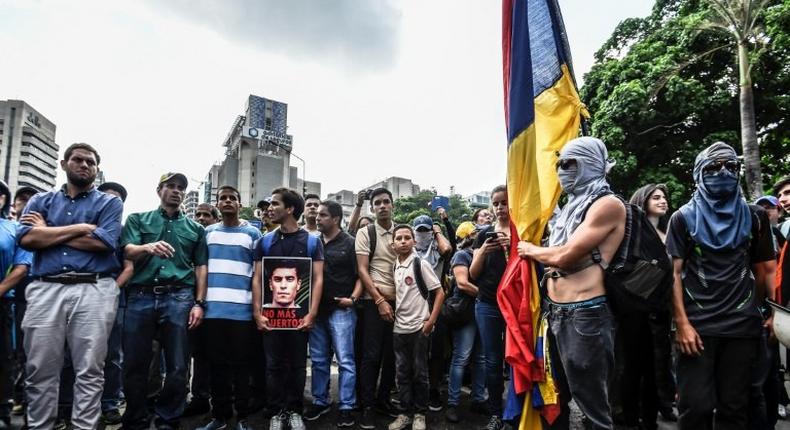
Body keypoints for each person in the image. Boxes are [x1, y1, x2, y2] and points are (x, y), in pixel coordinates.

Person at [517, 137, 625, 430]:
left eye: (569, 163)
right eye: (559, 164)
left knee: (592, 405)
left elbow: (564, 256)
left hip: (585, 313)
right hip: (554, 312)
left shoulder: (607, 204)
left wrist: (529, 249)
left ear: (591, 164)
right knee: (554, 397)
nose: (561, 170)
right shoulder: (568, 209)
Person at [666, 142, 774, 430]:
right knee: (695, 407)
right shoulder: (683, 218)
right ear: (699, 173)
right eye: (714, 167)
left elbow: (763, 268)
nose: (723, 172)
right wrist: (681, 324)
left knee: (735, 408)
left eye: (730, 166)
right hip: (698, 327)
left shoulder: (755, 217)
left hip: (742, 327)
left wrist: (768, 312)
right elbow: (673, 273)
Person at [17, 143, 123, 430]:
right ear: (63, 164)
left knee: (89, 369)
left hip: (94, 289)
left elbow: (104, 243)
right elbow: (26, 239)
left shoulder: (109, 203)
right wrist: (81, 228)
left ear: (97, 169)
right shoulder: (40, 200)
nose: (84, 165)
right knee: (40, 368)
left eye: (91, 162)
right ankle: (40, 426)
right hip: (45, 289)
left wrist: (46, 231)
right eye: (78, 159)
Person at [120, 172, 208, 430]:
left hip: (179, 297)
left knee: (178, 365)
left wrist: (199, 303)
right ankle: (135, 416)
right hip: (140, 296)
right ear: (159, 190)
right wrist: (147, 247)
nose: (177, 191)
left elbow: (201, 267)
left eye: (181, 187)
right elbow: (126, 250)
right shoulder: (138, 219)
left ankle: (168, 417)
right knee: (135, 363)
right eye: (171, 186)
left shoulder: (195, 229)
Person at [251, 188, 324, 430]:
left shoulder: (313, 241)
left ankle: (294, 410)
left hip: (299, 319)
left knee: (297, 365)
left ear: (290, 209)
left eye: (275, 204)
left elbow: (318, 279)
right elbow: (258, 278)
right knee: (272, 365)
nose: (269, 208)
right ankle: (275, 411)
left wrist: (312, 313)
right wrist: (257, 313)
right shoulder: (264, 241)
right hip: (270, 318)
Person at [609, 184, 674, 429]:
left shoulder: (670, 232)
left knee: (658, 366)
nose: (662, 200)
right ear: (642, 199)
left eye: (664, 197)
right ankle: (627, 416)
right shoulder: (629, 231)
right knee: (630, 366)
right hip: (633, 311)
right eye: (655, 197)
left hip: (661, 310)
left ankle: (653, 416)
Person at [197, 186, 261, 430]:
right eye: (222, 198)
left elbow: (257, 274)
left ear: (239, 203)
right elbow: (200, 269)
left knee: (242, 368)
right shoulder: (208, 233)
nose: (227, 201)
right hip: (213, 311)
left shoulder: (253, 233)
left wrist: (256, 310)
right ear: (217, 204)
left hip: (242, 313)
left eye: (232, 198)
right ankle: (220, 417)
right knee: (217, 368)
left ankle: (243, 417)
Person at [304, 200, 361, 427]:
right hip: (316, 312)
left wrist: (353, 299)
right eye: (317, 215)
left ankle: (347, 405)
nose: (317, 218)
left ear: (336, 219)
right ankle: (321, 400)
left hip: (342, 311)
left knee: (345, 360)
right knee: (318, 360)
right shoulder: (313, 243)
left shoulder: (350, 243)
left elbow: (361, 275)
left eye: (323, 215)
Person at [387, 224, 445, 430]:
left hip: (419, 328)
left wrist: (430, 322)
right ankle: (405, 413)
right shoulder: (395, 265)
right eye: (399, 238)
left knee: (420, 372)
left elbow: (439, 293)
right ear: (392, 244)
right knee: (401, 373)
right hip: (399, 329)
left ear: (413, 241)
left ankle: (420, 414)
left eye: (407, 238)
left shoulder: (420, 264)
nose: (403, 241)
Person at [355, 187, 399, 429]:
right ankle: (368, 405)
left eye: (386, 202)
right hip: (373, 302)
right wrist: (380, 301)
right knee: (371, 356)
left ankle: (384, 399)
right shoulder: (366, 232)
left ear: (392, 205)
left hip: (400, 302)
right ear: (372, 208)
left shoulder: (401, 233)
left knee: (392, 356)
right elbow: (362, 270)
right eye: (378, 203)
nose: (382, 206)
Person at [470, 185, 511, 430]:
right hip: (488, 304)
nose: (499, 208)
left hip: (517, 304)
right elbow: (473, 274)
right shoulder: (483, 234)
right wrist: (483, 251)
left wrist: (514, 246)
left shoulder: (523, 230)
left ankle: (519, 411)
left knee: (519, 360)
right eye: (495, 203)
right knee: (493, 361)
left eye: (504, 202)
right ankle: (496, 412)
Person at [96, 181, 133, 425]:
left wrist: (110, 290)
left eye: (116, 199)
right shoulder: (82, 224)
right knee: (70, 356)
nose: (111, 201)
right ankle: (68, 404)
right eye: (106, 196)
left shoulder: (122, 231)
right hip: (77, 290)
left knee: (111, 354)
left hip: (112, 296)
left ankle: (110, 403)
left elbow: (129, 267)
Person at [445, 221, 487, 423]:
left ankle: (478, 399)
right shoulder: (462, 255)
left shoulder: (484, 254)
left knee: (480, 358)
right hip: (467, 312)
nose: (479, 235)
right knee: (461, 357)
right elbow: (462, 283)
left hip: (481, 311)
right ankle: (453, 403)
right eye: (476, 232)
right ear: (468, 236)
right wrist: (487, 296)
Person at [411, 213, 452, 411]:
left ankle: (434, 389)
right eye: (419, 232)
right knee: (416, 351)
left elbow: (447, 248)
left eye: (426, 231)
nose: (422, 235)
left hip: (437, 304)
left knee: (436, 351)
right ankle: (416, 389)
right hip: (413, 306)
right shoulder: (408, 251)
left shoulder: (438, 250)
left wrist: (436, 229)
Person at [0, 180, 32, 430]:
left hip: (6, 302)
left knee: (7, 357)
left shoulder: (13, 229)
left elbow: (22, 267)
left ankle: (4, 408)